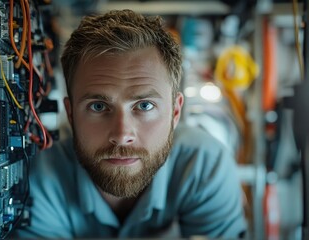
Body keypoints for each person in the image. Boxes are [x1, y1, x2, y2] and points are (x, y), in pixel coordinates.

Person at [16, 9, 246, 238]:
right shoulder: (42, 177)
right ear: (70, 113)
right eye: (98, 106)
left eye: (144, 106)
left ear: (175, 112)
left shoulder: (204, 165)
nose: (122, 134)